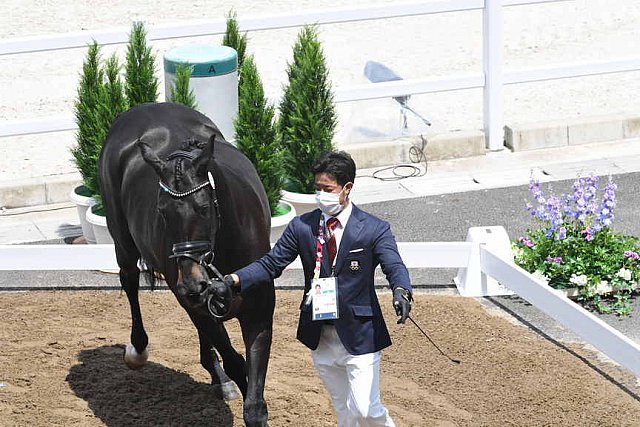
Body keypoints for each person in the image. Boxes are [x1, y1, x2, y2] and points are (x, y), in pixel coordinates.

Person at [224, 150, 412, 426]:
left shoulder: (374, 228)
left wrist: (401, 289)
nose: (321, 194)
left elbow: (393, 264)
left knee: (364, 408)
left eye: (328, 189)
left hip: (361, 335)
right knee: (344, 410)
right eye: (318, 188)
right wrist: (233, 280)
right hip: (320, 333)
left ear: (346, 188)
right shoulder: (302, 226)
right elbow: (271, 263)